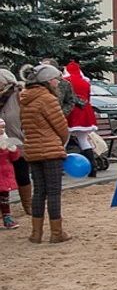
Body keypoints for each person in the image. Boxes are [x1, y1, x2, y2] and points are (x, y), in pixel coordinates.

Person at [18, 63, 71, 243]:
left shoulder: (24, 98)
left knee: (39, 191)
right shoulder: (47, 99)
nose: (58, 82)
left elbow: (24, 125)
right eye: (56, 79)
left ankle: (36, 233)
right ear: (48, 81)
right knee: (54, 192)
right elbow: (61, 127)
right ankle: (56, 233)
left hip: (32, 150)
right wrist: (61, 143)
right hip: (50, 150)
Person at [0, 69, 33, 217]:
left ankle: (28, 205)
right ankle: (4, 210)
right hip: (2, 144)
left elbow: (30, 116)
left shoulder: (18, 95)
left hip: (18, 141)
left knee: (22, 173)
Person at [62, 61, 99, 179]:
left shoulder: (65, 81)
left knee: (63, 140)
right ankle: (93, 167)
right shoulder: (85, 82)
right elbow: (88, 97)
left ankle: (58, 168)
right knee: (83, 140)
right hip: (85, 111)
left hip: (71, 111)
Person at [0, 119, 22, 229]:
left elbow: (15, 157)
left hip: (5, 173)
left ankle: (7, 217)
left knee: (4, 197)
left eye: (3, 127)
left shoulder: (6, 139)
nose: (2, 130)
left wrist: (13, 148)